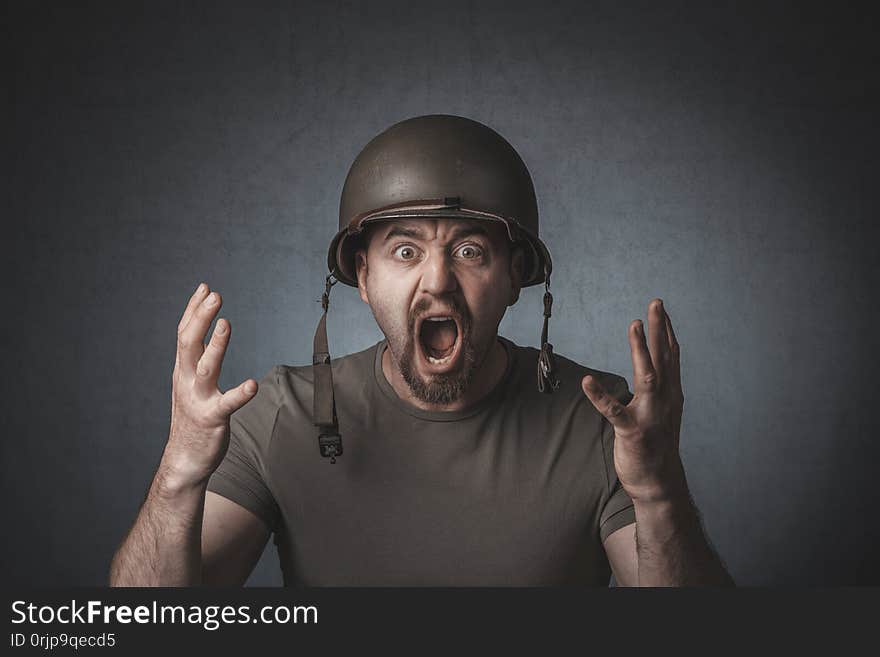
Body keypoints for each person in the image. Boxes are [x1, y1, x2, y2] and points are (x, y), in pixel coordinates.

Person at [109, 115, 733, 586]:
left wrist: (656, 490)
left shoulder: (603, 422)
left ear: (516, 276)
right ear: (361, 274)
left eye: (470, 252)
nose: (437, 282)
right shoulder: (278, 415)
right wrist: (179, 473)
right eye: (405, 252)